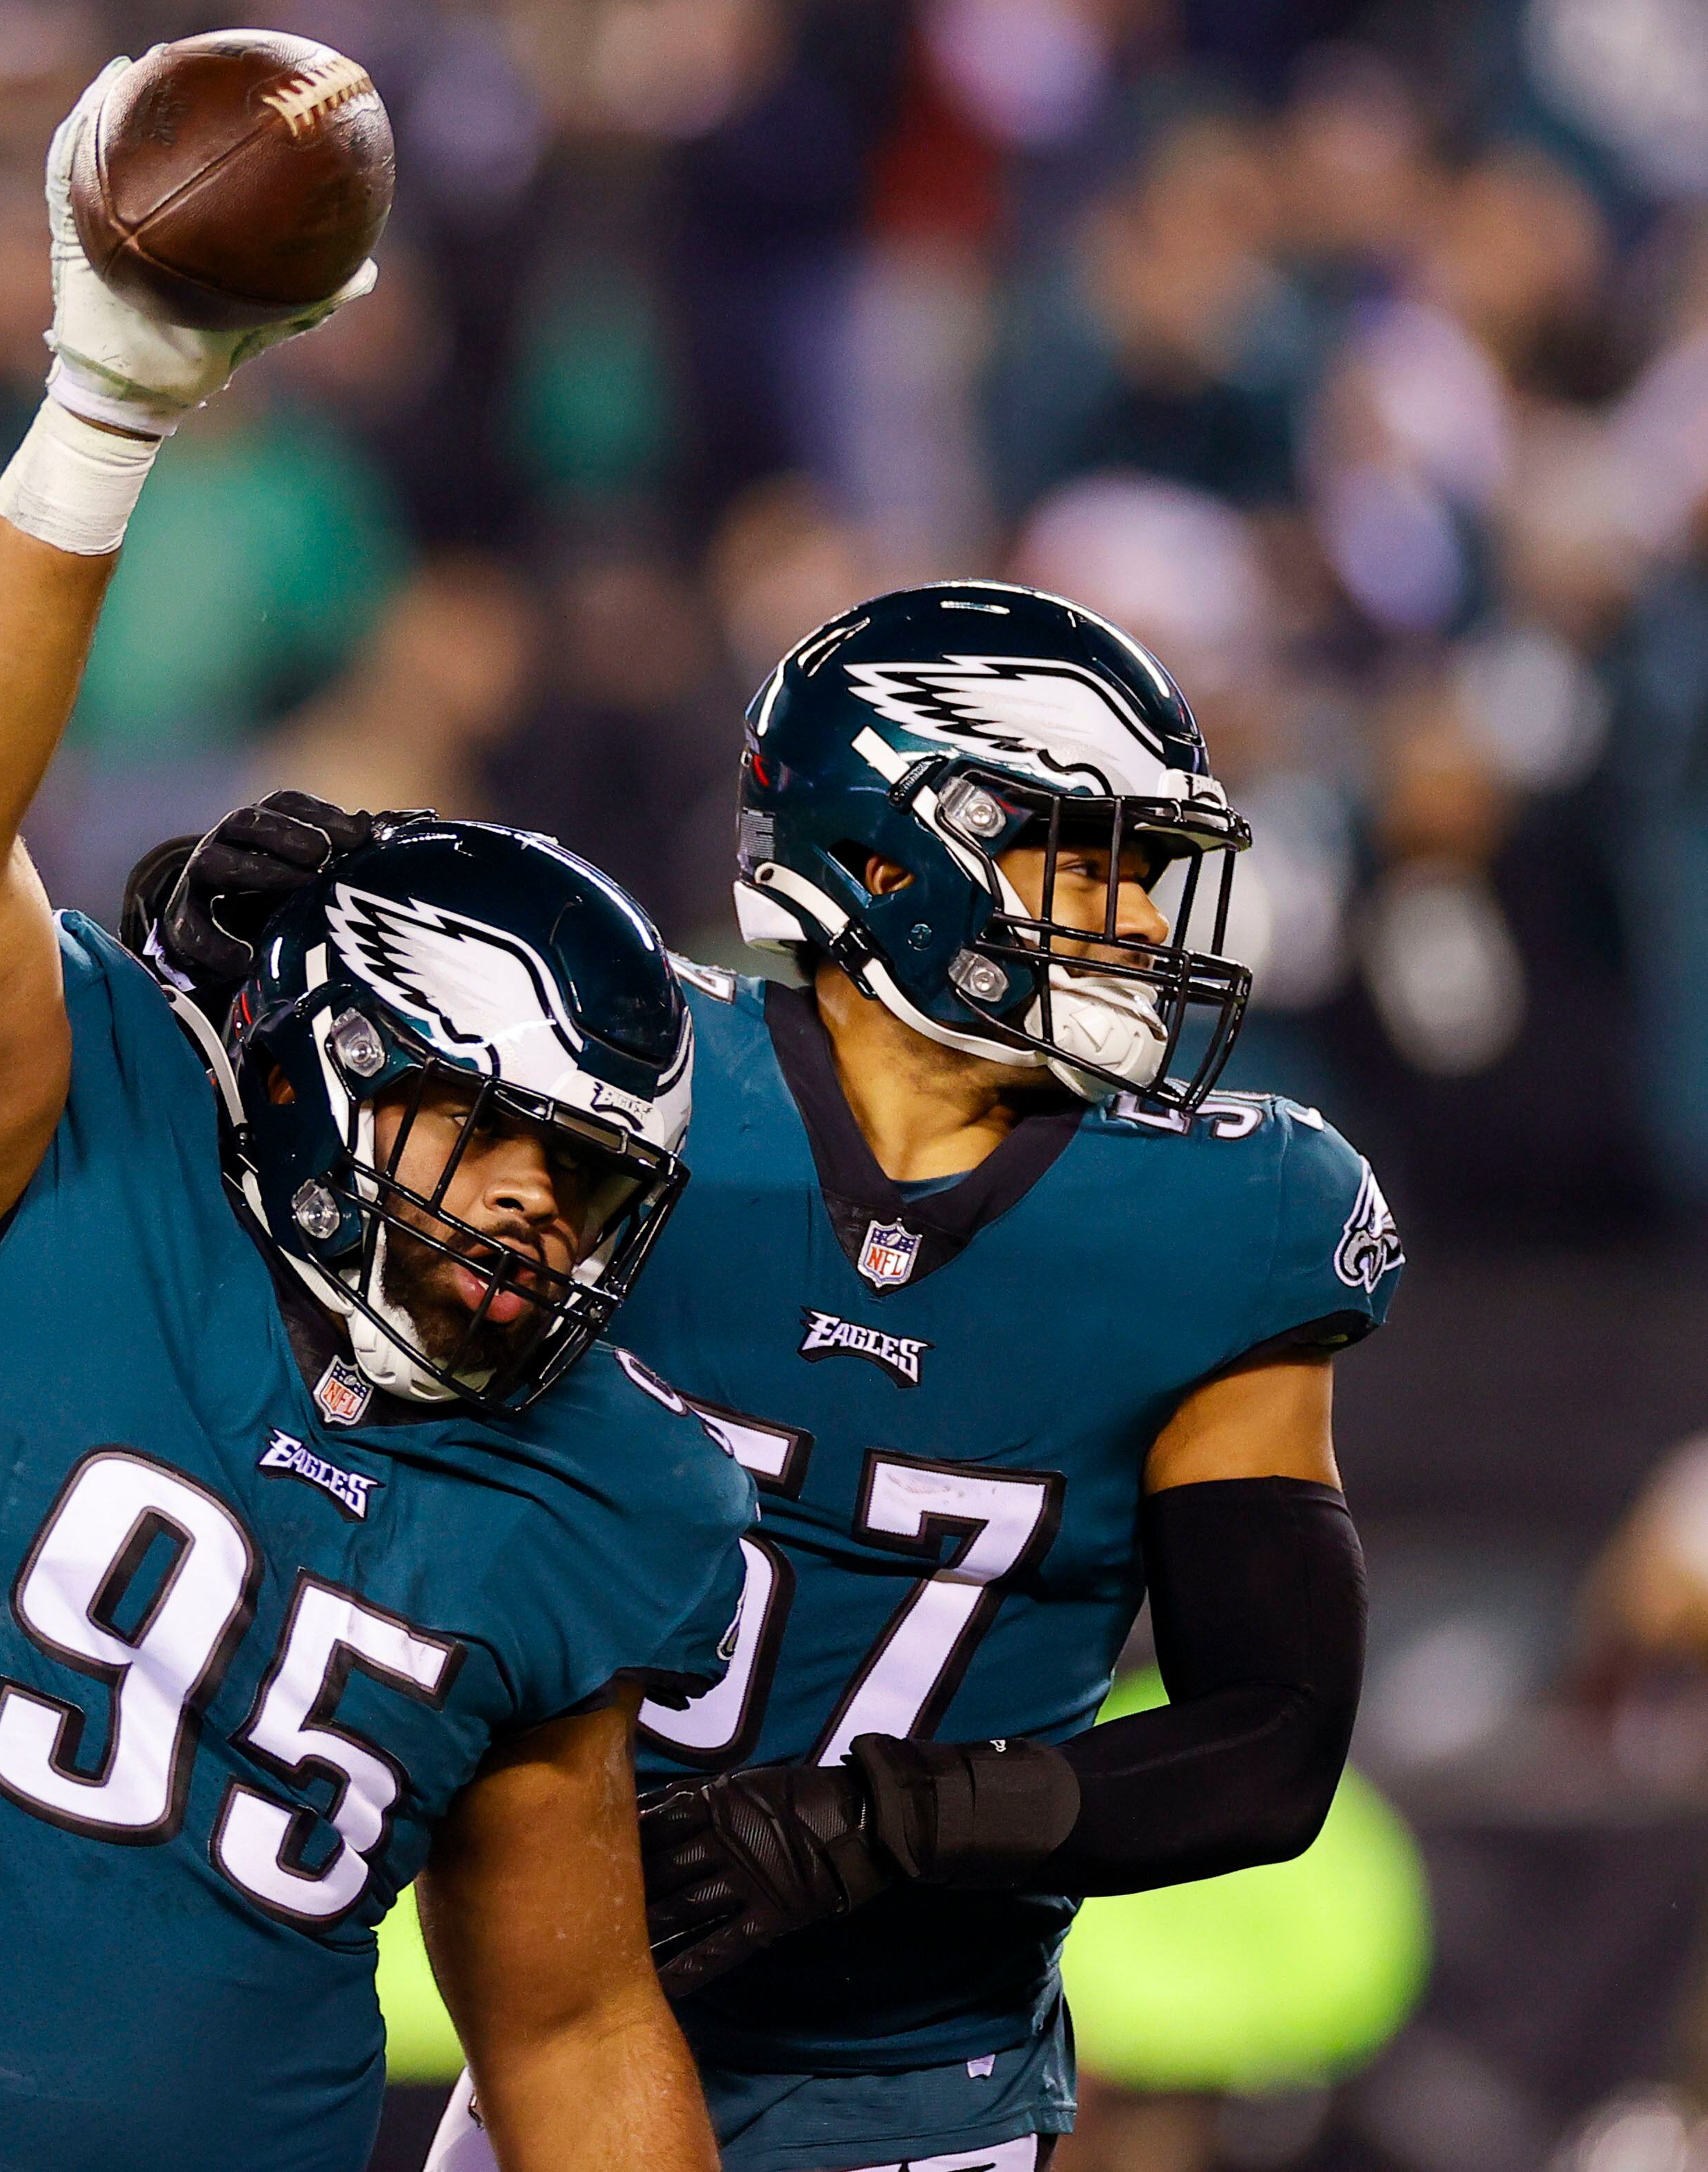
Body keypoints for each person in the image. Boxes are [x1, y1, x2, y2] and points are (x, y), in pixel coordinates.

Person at [0, 60, 754, 2172]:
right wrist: (107, 407)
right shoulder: (63, 1157)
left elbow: (574, 2024)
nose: (532, 1211)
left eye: (589, 1176)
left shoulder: (598, 1490)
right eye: (488, 1129)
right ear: (324, 1069)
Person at [153, 584, 1396, 2172]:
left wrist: (877, 1828)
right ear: (888, 855)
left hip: (911, 2090)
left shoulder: (1223, 1223)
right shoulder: (606, 1089)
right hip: (541, 2026)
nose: (1140, 923)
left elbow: (1267, 1740)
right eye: (1087, 859)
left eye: (1149, 872)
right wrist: (203, 994)